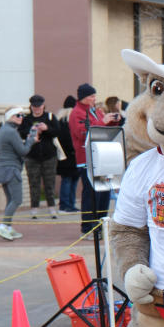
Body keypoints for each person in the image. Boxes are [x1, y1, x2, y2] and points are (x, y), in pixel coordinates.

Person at [0, 107, 41, 241]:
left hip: (3, 169)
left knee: (10, 200)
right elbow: (23, 151)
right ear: (10, 117)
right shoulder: (11, 132)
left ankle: (8, 227)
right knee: (17, 200)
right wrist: (31, 140)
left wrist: (27, 140)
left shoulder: (4, 130)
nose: (21, 117)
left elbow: (15, 148)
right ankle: (3, 226)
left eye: (22, 115)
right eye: (18, 115)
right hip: (11, 170)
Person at [69, 82, 109, 238]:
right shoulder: (77, 113)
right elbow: (82, 133)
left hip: (102, 157)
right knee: (91, 194)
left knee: (103, 191)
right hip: (86, 159)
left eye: (94, 95)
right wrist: (103, 122)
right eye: (91, 96)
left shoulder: (95, 111)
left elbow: (102, 127)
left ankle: (101, 224)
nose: (94, 98)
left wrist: (112, 121)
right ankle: (88, 227)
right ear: (84, 97)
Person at [17, 94, 59, 219]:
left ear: (43, 105)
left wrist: (46, 129)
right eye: (34, 106)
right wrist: (32, 130)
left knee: (49, 183)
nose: (37, 108)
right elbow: (21, 133)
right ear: (31, 107)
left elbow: (58, 131)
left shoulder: (50, 117)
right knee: (33, 182)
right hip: (32, 155)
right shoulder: (26, 119)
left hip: (49, 155)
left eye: (39, 106)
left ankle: (51, 207)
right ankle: (34, 208)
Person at [55, 95, 80, 212]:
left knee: (69, 180)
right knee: (70, 181)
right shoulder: (69, 121)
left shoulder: (59, 120)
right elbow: (69, 139)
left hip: (64, 157)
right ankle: (67, 204)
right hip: (71, 156)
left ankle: (68, 204)